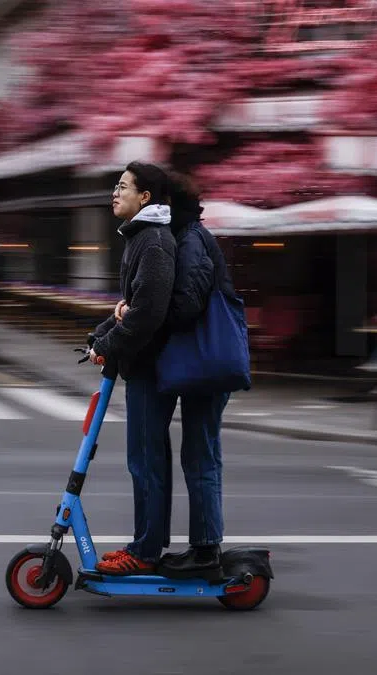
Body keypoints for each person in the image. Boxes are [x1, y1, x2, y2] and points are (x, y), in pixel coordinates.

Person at [88, 161, 178, 575]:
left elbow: (147, 314)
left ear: (145, 197)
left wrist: (109, 345)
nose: (114, 192)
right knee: (144, 460)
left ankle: (145, 553)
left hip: (150, 369)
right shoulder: (140, 238)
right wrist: (100, 335)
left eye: (122, 186)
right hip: (143, 367)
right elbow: (129, 308)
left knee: (146, 462)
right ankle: (147, 544)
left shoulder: (154, 242)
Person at [151, 172, 236, 575]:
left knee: (201, 456)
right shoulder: (189, 236)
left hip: (208, 365)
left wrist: (150, 316)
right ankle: (205, 546)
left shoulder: (191, 240)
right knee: (201, 454)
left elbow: (189, 304)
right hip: (207, 366)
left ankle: (205, 552)